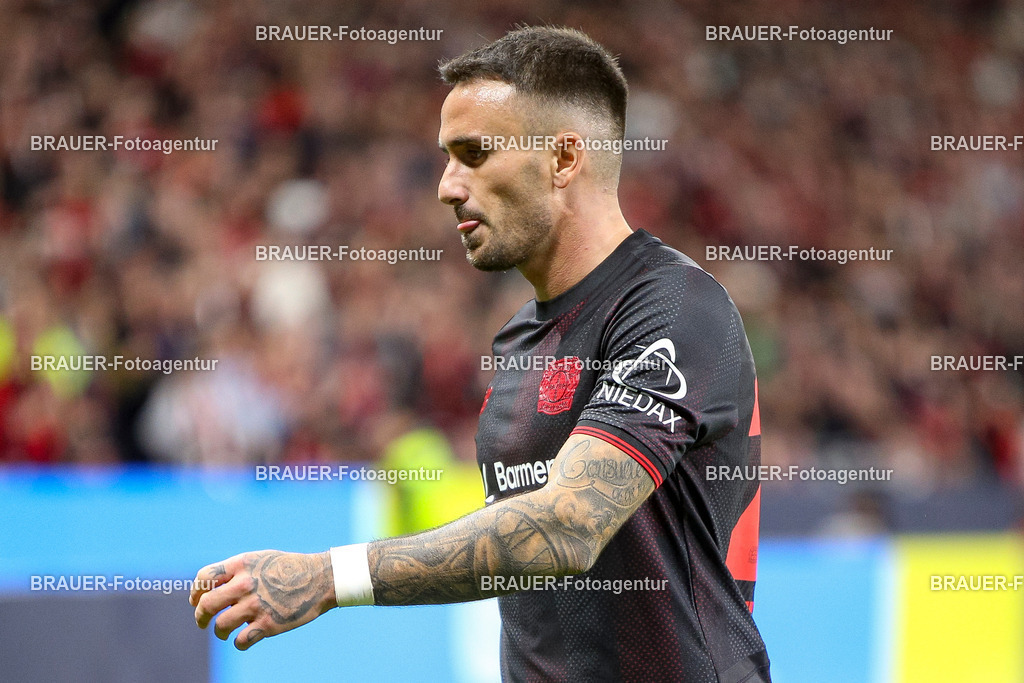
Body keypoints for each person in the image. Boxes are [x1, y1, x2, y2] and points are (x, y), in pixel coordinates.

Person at [190, 26, 771, 682]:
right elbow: (528, 573)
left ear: (563, 159)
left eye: (474, 154)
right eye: (447, 158)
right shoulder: (521, 336)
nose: (447, 186)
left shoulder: (675, 307)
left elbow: (567, 526)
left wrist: (330, 576)